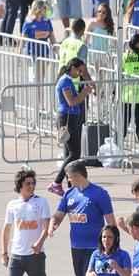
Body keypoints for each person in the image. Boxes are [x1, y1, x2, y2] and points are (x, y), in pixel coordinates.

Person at [49, 160, 115, 276]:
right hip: (76, 248)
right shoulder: (70, 194)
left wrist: (111, 246)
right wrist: (52, 225)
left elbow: (111, 221)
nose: (68, 181)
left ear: (78, 176)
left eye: (69, 178)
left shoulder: (99, 194)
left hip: (94, 249)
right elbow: (59, 215)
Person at [1, 169, 53, 276]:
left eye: (33, 183)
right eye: (27, 184)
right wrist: (4, 252)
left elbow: (46, 226)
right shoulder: (12, 205)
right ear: (20, 186)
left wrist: (39, 242)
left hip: (35, 256)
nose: (31, 186)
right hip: (16, 256)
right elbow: (6, 229)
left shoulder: (41, 202)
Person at [48, 59, 92, 195]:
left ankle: (71, 185)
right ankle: (56, 182)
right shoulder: (65, 81)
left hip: (71, 118)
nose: (80, 74)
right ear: (72, 68)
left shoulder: (67, 80)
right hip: (67, 118)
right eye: (79, 71)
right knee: (74, 153)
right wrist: (85, 93)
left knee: (69, 153)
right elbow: (72, 101)